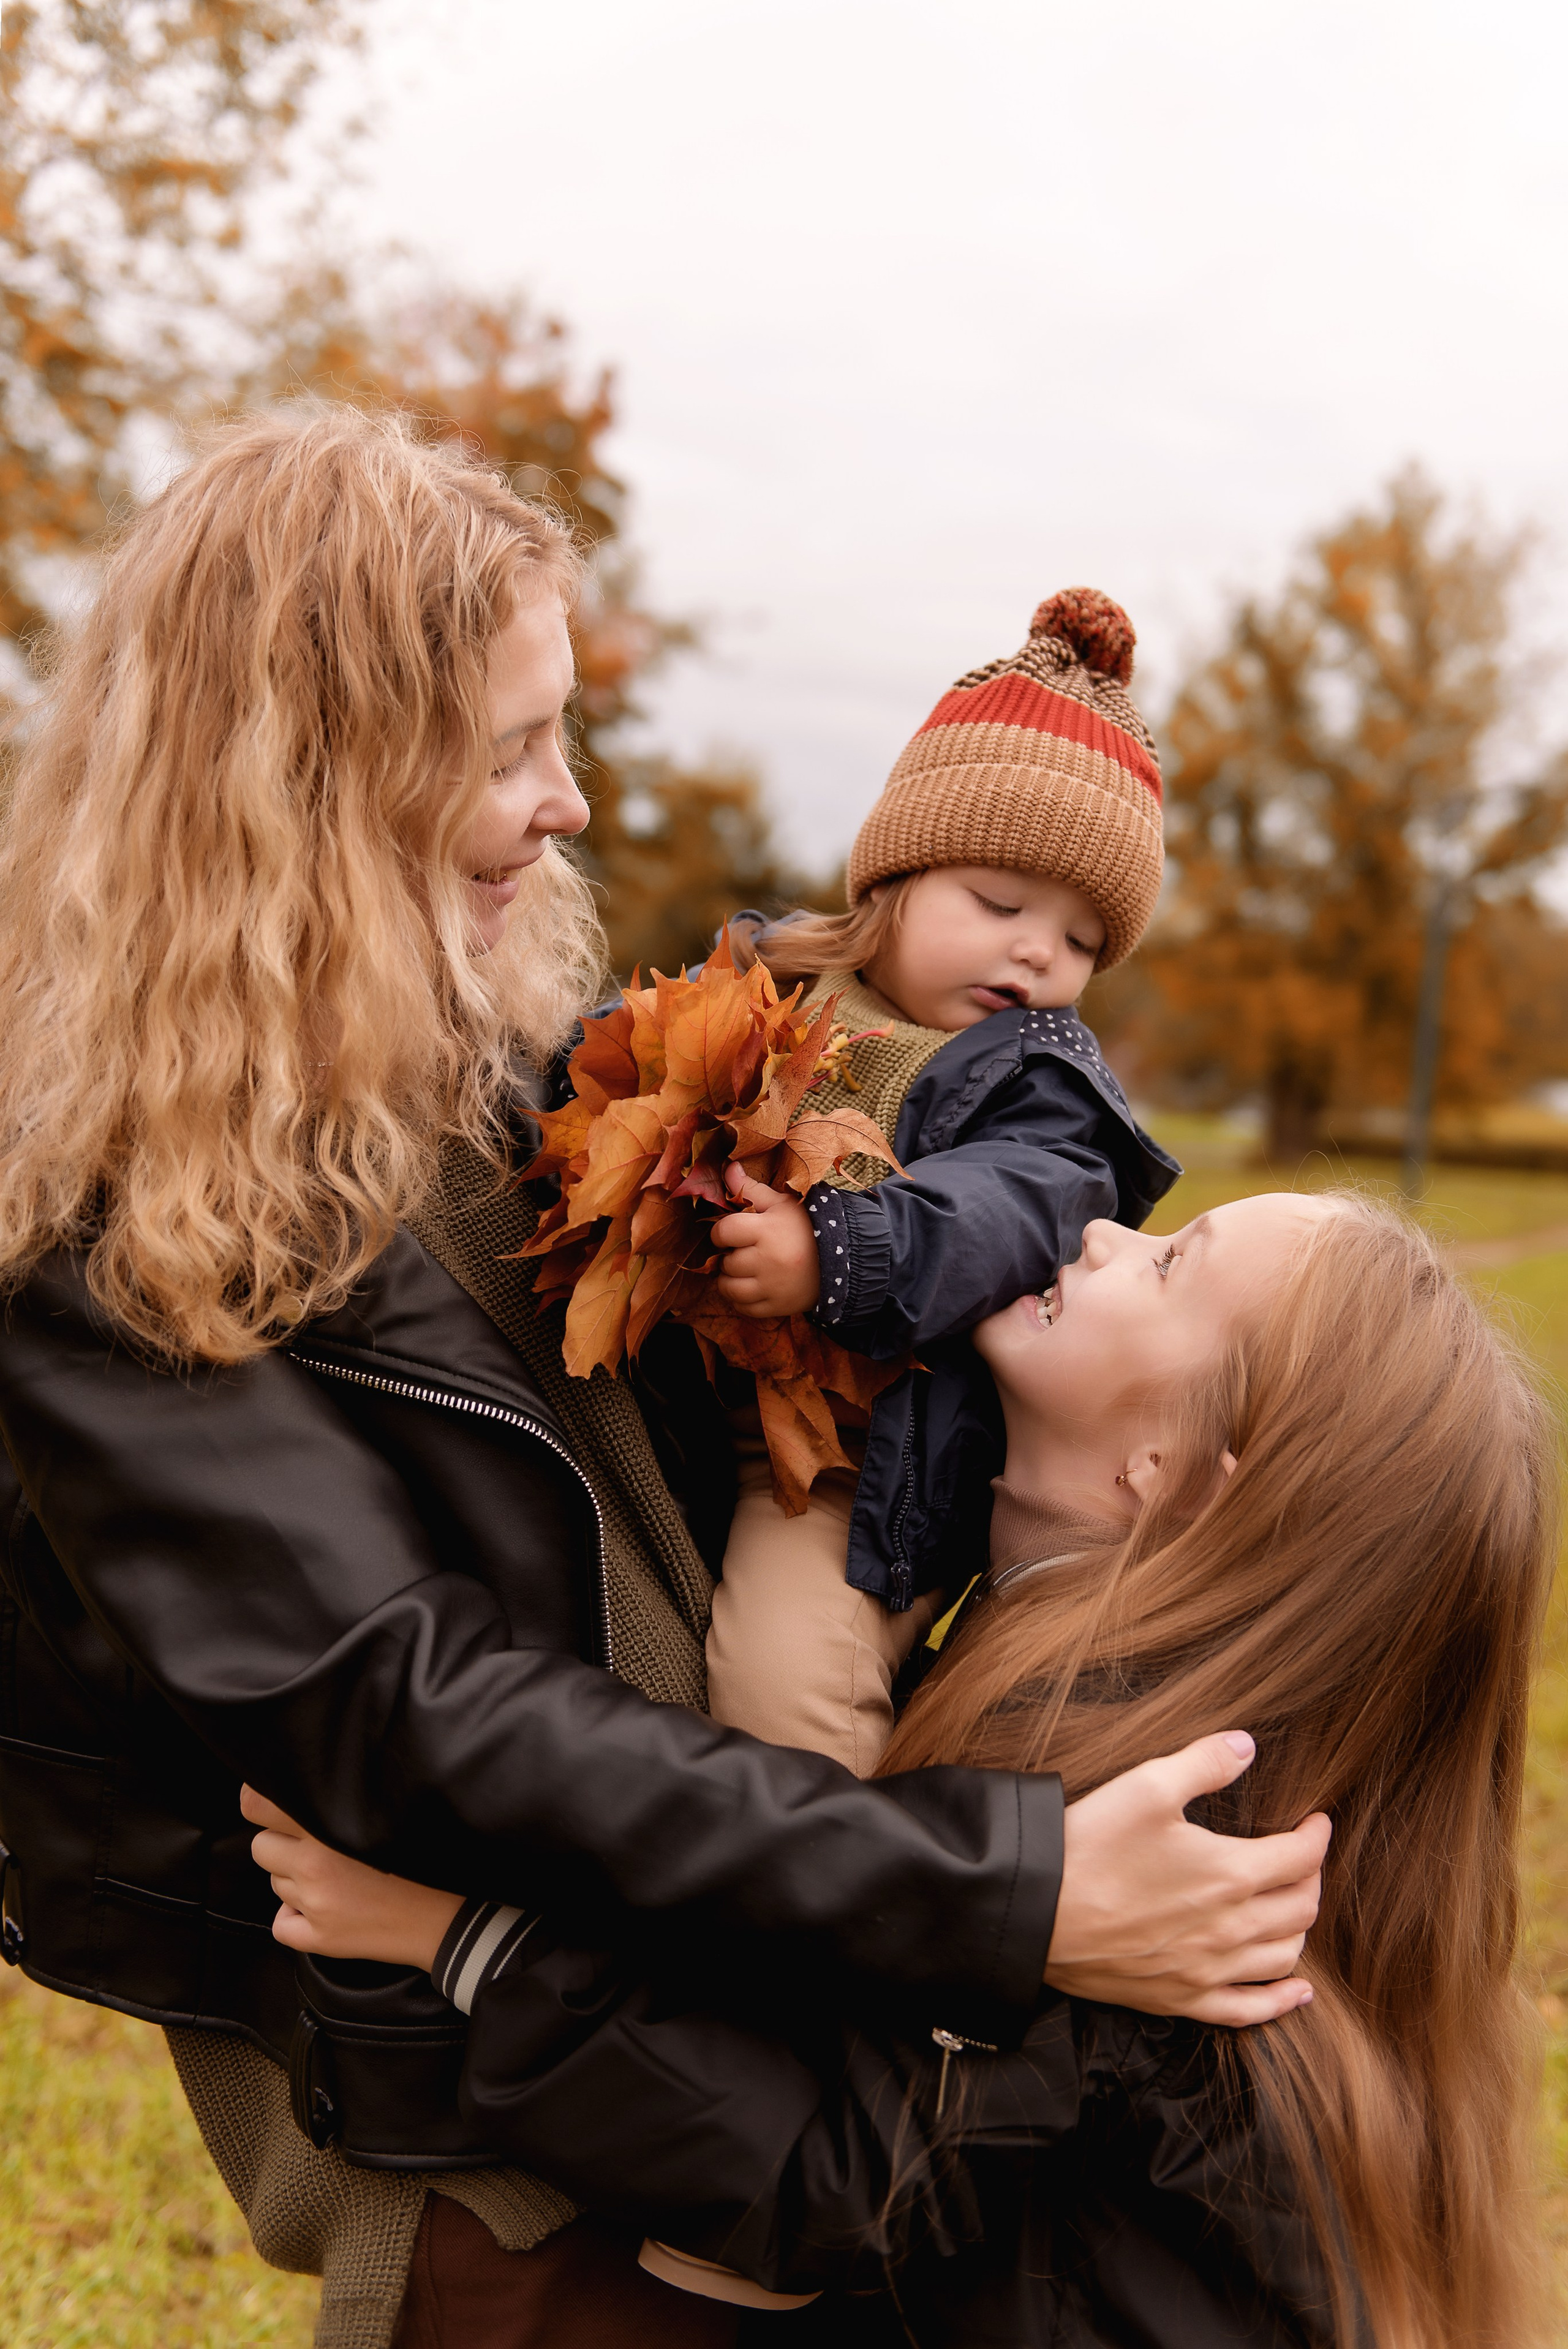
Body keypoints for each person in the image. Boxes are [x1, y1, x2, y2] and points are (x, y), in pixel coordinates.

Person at [0, 404, 1325, 2347]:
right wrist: (1002, 1887)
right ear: (319, 774)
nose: (572, 805)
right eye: (513, 747)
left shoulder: (483, 1069)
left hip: (746, 2019)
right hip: (519, 2136)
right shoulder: (108, 1229)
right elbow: (412, 1714)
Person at [249, 1191, 1554, 2347]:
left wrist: (462, 1936)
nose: (1098, 1233)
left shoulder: (1149, 1830)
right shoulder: (1079, 1692)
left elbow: (825, 2173)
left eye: (1165, 1264)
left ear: (1172, 1474)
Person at [703, 590, 1180, 1774]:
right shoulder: (778, 981)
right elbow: (634, 1059)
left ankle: (827, 1892)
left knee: (784, 1684)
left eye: (1079, 942)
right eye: (1003, 904)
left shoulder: (1038, 1084)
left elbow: (1009, 1207)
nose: (1037, 953)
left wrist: (843, 1251)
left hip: (854, 1466)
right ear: (897, 880)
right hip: (685, 1384)